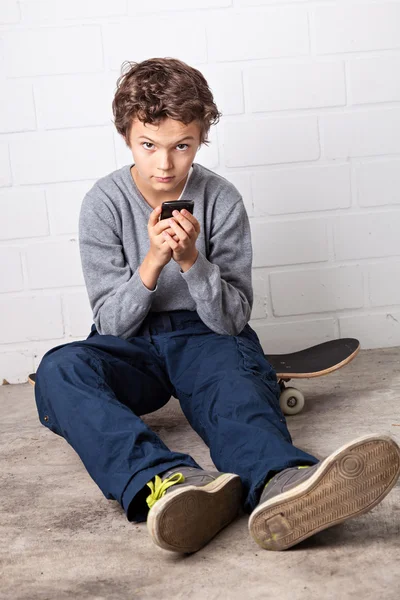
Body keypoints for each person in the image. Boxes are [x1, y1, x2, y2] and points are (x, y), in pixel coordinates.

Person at [34, 57, 400, 554]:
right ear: (127, 137)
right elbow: (111, 324)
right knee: (60, 369)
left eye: (181, 147)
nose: (164, 164)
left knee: (235, 389)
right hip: (133, 345)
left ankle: (282, 484)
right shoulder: (103, 203)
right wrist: (152, 262)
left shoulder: (221, 199)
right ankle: (171, 485)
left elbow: (231, 319)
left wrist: (190, 261)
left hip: (206, 336)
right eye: (149, 146)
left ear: (201, 139)